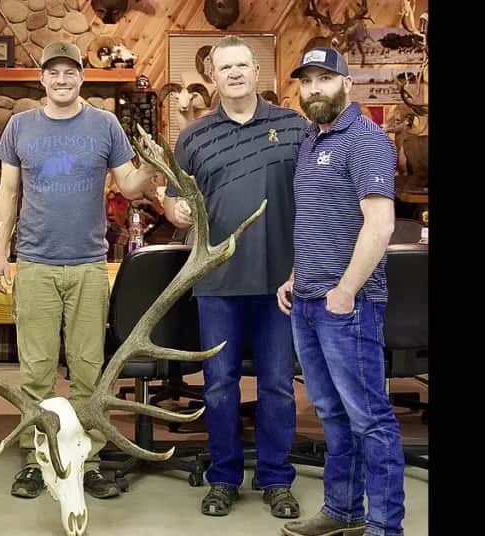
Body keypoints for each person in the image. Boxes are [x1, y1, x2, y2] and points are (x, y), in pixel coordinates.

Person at [0, 41, 161, 500]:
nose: (62, 80)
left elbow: (128, 183)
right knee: (36, 371)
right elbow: (7, 192)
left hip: (88, 265)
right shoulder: (20, 126)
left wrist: (152, 166)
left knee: (88, 370)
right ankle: (36, 457)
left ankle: (88, 459)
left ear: (81, 77)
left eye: (70, 72)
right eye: (54, 73)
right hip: (35, 264)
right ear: (42, 79)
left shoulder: (104, 125)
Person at [162, 35, 309, 519]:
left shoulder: (294, 127)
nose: (235, 74)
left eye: (242, 65)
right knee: (219, 385)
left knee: (277, 387)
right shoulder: (194, 137)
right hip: (217, 283)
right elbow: (171, 197)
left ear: (258, 71)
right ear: (212, 78)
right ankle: (223, 477)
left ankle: (275, 478)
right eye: (225, 68)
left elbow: (313, 199)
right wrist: (177, 209)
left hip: (279, 285)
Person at [277, 47, 403, 536]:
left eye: (324, 79)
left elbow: (380, 224)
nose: (314, 90)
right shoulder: (311, 138)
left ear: (347, 84)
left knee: (369, 417)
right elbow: (319, 222)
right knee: (330, 413)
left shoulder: (366, 140)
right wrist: (295, 274)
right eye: (306, 81)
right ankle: (343, 511)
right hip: (307, 301)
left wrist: (347, 289)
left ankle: (384, 526)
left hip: (347, 306)